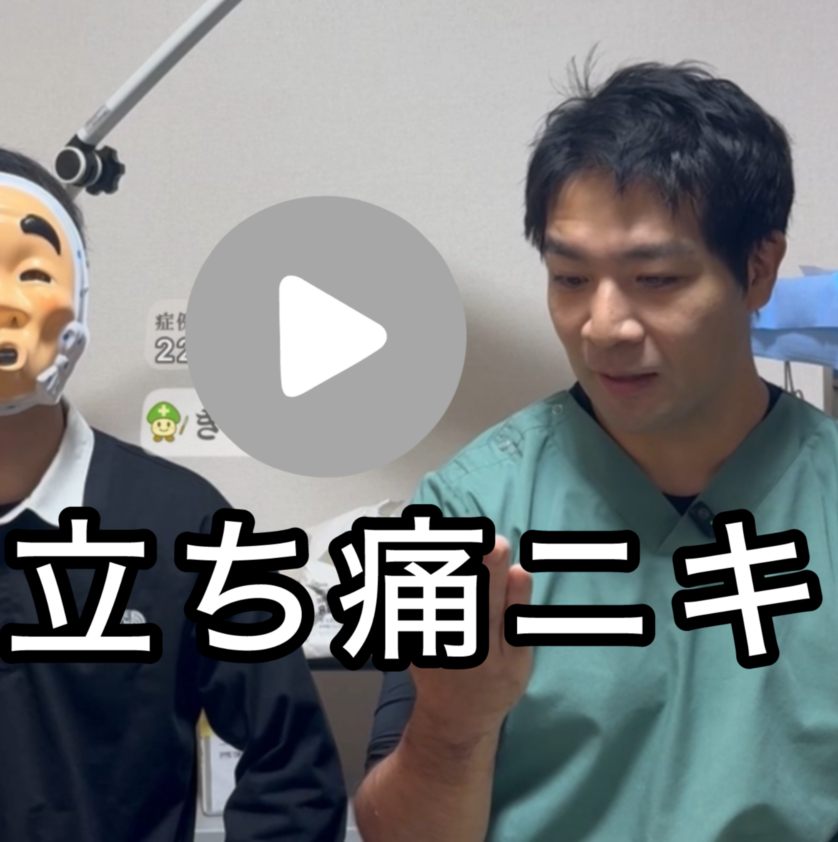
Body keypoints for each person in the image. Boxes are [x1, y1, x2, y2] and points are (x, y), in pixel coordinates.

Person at [354, 62, 838, 842]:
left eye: (656, 279)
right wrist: (452, 728)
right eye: (570, 278)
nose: (604, 326)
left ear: (758, 268)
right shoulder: (472, 513)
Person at [0, 142, 348, 842]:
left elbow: (296, 769)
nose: (2, 304)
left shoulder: (183, 523)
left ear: (76, 297)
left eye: (34, 271)